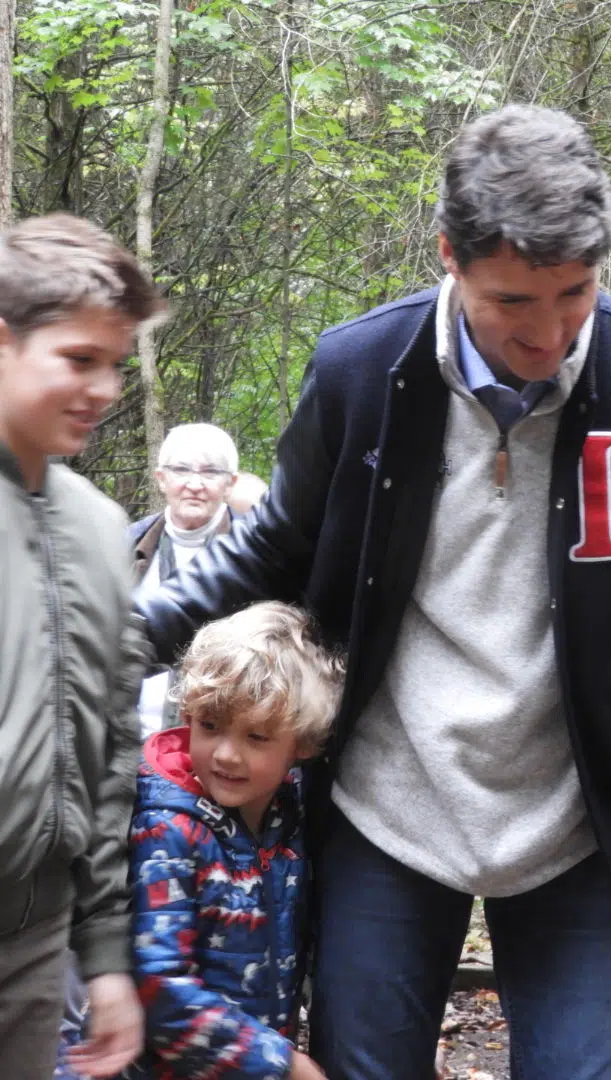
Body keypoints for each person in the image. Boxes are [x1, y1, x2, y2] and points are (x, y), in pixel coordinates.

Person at [134, 104, 611, 1080]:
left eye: (576, 294)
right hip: (388, 808)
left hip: (582, 823)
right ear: (449, 258)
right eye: (515, 301)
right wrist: (109, 639)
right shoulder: (361, 375)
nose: (549, 334)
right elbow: (270, 550)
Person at [0, 213, 164, 1079]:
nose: (102, 389)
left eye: (114, 364)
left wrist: (103, 959)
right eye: (77, 360)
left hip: (35, 943)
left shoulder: (103, 533)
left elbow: (108, 758)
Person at [127, 602, 340, 1080]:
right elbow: (160, 983)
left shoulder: (289, 819)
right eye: (209, 725)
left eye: (257, 737)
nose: (226, 753)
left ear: (301, 745)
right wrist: (280, 1064)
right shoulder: (170, 830)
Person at [131, 423, 241, 736]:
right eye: (181, 470)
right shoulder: (124, 545)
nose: (195, 484)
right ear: (161, 479)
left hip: (220, 745)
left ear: (230, 483)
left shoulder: (254, 554)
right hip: (131, 742)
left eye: (210, 472)